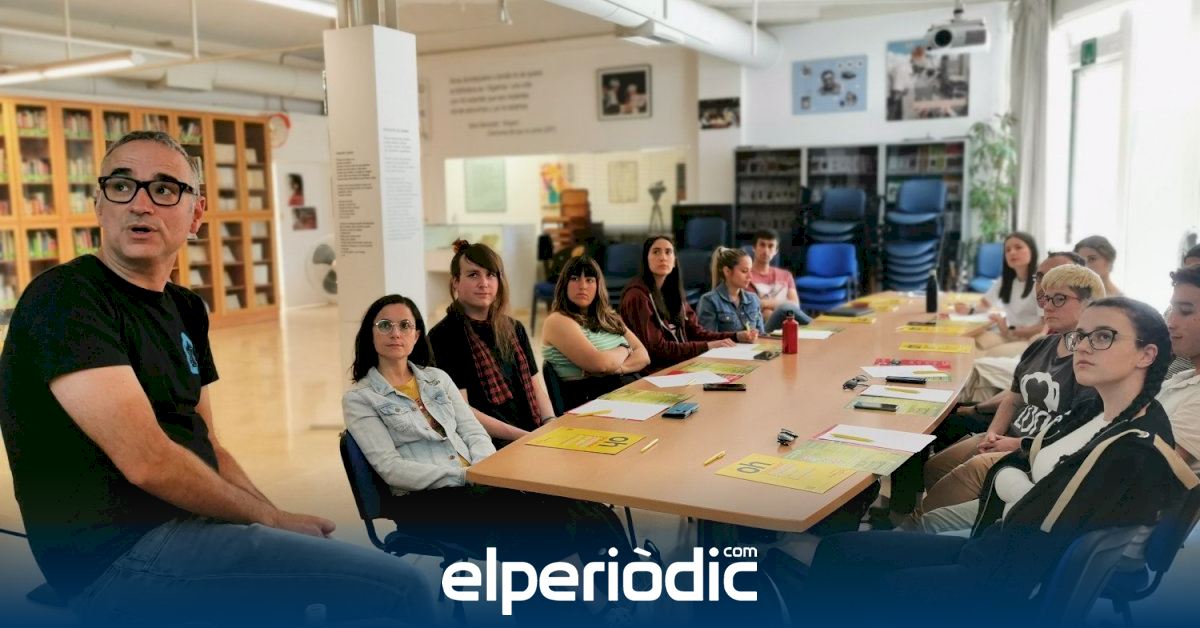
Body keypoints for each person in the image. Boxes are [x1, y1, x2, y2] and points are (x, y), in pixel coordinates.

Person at [0, 131, 431, 626]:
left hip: (192, 527)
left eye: (165, 189)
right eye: (121, 186)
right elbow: (147, 462)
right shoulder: (65, 300)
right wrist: (269, 519)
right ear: (99, 203)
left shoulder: (185, 307)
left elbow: (210, 443)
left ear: (196, 214)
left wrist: (275, 521)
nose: (140, 203)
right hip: (118, 557)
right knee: (404, 587)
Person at [799, 297, 1196, 623]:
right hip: (995, 546)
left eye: (1104, 337)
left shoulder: (1131, 447)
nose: (1083, 346)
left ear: (1146, 354)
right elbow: (1023, 464)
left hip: (1004, 578)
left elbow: (1039, 521)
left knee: (865, 578)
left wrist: (1018, 482)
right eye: (1081, 335)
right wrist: (1021, 479)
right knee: (839, 551)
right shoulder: (1096, 409)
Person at [343, 295, 632, 569]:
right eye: (385, 325)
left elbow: (473, 430)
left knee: (584, 507)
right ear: (371, 334)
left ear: (416, 335)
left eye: (405, 325)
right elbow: (391, 469)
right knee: (538, 529)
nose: (396, 333)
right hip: (424, 500)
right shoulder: (360, 398)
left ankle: (627, 586)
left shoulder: (437, 379)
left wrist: (484, 471)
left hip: (476, 485)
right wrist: (465, 477)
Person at [899, 265, 1106, 530]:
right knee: (935, 467)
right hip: (1007, 436)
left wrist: (1014, 443)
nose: (1047, 306)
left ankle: (917, 526)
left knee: (971, 471)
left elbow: (1073, 432)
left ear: (1090, 304)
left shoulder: (1090, 360)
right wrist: (992, 434)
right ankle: (949, 521)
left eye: (1059, 299)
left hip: (1035, 450)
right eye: (1045, 298)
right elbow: (1013, 398)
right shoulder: (1041, 346)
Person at [428, 240, 555, 447]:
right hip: (488, 445)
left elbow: (536, 388)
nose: (484, 283)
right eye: (473, 275)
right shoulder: (444, 336)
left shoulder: (514, 328)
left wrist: (550, 422)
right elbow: (463, 411)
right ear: (455, 282)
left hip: (532, 436)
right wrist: (524, 437)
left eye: (490, 275)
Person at [619, 236, 753, 375]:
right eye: (656, 252)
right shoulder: (637, 296)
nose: (663, 257)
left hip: (680, 366)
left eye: (668, 252)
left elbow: (697, 333)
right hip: (652, 373)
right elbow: (656, 349)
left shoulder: (673, 292)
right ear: (646, 259)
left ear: (675, 261)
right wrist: (707, 346)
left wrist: (736, 336)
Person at [541, 256, 650, 410]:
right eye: (575, 279)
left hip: (626, 392)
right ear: (564, 285)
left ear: (598, 285)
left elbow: (644, 356)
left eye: (589, 280)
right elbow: (599, 364)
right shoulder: (557, 321)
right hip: (592, 402)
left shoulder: (609, 318)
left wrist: (618, 369)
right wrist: (625, 349)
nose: (583, 286)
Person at [958, 232, 1043, 349]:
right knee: (969, 343)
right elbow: (985, 303)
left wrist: (1009, 330)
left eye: (1018, 247)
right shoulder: (1006, 280)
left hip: (1031, 340)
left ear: (1032, 251)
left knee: (986, 354)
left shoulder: (1040, 283)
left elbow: (1045, 326)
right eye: (1007, 250)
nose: (1012, 252)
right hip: (1010, 334)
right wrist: (970, 310)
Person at [1162, 265, 1200, 472]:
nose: (1170, 322)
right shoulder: (1183, 378)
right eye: (1172, 310)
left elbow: (1148, 470)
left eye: (1185, 311)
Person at [747, 229, 811, 331]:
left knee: (779, 310)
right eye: (762, 245)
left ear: (776, 251)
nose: (766, 250)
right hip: (761, 328)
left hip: (790, 323)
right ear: (754, 248)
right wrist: (782, 304)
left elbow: (795, 305)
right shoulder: (746, 275)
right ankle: (815, 326)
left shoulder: (786, 275)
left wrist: (766, 303)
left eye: (770, 246)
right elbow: (753, 306)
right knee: (771, 312)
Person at [697, 246, 766, 335]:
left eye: (751, 271)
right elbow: (709, 338)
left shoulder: (753, 299)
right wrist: (738, 337)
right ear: (727, 271)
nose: (750, 276)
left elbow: (762, 335)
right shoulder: (709, 301)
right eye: (744, 271)